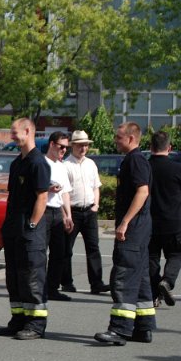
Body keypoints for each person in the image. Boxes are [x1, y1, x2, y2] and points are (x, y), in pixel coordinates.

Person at [95, 122, 155, 345]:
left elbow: (142, 192)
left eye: (119, 137)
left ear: (131, 139)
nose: (115, 140)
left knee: (124, 277)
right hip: (140, 229)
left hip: (134, 229)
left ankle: (119, 330)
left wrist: (125, 222)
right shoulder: (135, 160)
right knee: (140, 277)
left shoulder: (135, 160)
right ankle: (143, 327)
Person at [0, 118, 50, 340]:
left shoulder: (38, 163)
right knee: (15, 277)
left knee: (32, 278)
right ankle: (18, 320)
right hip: (14, 229)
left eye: (14, 132)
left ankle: (35, 324)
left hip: (30, 231)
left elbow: (42, 197)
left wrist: (32, 224)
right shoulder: (17, 163)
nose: (11, 136)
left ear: (27, 131)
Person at [61, 130, 109, 295]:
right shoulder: (66, 165)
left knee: (93, 247)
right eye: (80, 145)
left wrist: (96, 205)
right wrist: (66, 214)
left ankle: (96, 283)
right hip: (73, 211)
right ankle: (66, 282)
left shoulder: (91, 164)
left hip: (89, 210)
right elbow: (64, 192)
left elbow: (96, 186)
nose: (83, 148)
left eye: (86, 145)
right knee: (67, 249)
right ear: (73, 146)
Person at [148, 130, 181, 308]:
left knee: (151, 259)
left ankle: (154, 296)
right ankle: (167, 281)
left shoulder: (145, 167)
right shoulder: (177, 169)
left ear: (150, 147)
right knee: (176, 254)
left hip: (149, 222)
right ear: (169, 147)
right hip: (174, 222)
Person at [44, 132, 74, 301]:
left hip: (57, 211)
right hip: (44, 210)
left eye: (66, 148)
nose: (64, 150)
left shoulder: (62, 166)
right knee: (41, 252)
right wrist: (47, 188)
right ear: (51, 144)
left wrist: (68, 215)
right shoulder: (42, 163)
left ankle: (52, 288)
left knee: (59, 252)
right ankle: (39, 288)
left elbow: (65, 193)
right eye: (61, 146)